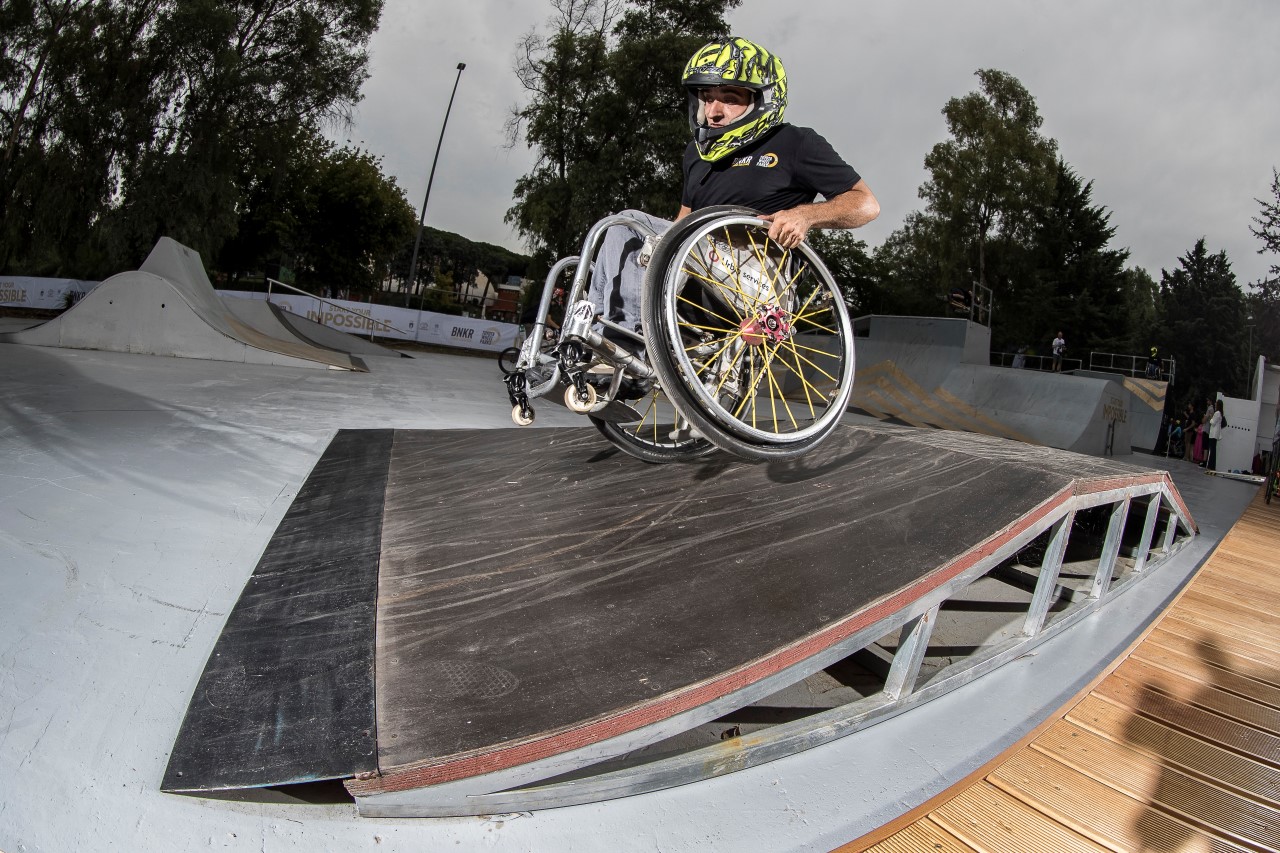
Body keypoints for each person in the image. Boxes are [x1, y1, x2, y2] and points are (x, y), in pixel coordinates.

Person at [587, 36, 879, 364]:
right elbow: (681, 222)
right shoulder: (696, 156)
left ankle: (630, 345)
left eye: (729, 98)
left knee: (675, 238)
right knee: (623, 224)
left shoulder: (795, 142)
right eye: (707, 98)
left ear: (761, 100)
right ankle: (604, 344)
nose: (713, 111)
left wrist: (805, 215)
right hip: (701, 263)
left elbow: (865, 203)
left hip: (759, 280)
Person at [1206, 399, 1227, 472]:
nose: (1215, 404)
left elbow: (1213, 422)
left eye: (1216, 403)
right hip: (1215, 434)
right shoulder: (1220, 413)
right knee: (1213, 450)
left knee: (1212, 450)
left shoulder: (1217, 413)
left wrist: (1211, 418)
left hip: (1213, 434)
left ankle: (1211, 466)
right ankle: (1212, 466)